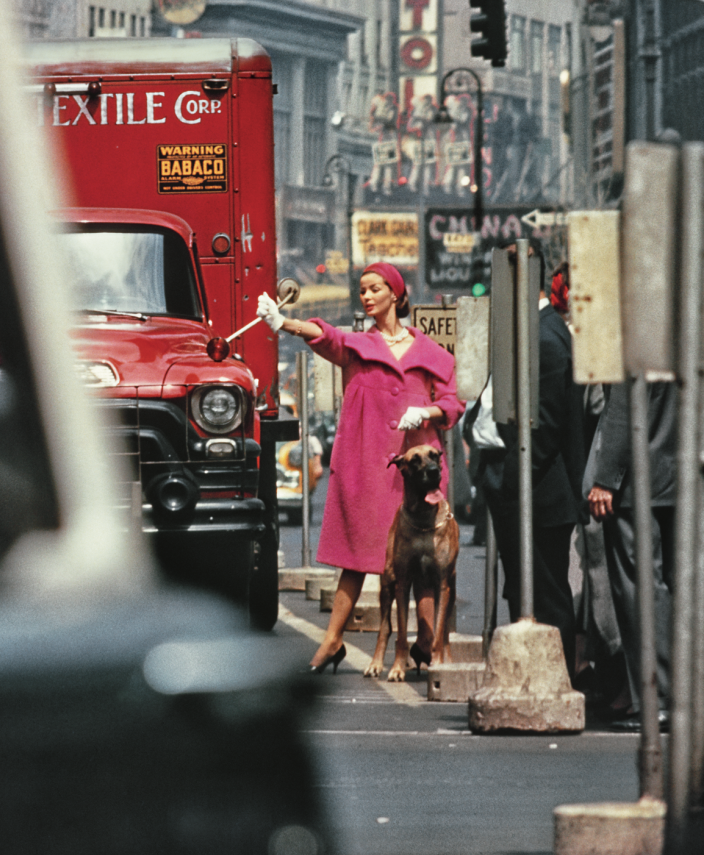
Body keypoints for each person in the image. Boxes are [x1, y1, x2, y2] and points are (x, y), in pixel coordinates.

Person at [257, 263, 464, 673]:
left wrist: (427, 410)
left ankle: (425, 641)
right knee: (356, 559)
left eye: (374, 289)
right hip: (368, 465)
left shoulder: (432, 354)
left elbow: (452, 404)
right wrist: (284, 323)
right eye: (362, 290)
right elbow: (326, 335)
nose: (366, 297)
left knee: (424, 560)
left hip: (415, 471)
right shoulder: (356, 345)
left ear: (395, 294)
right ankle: (333, 639)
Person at [482, 245, 586, 678]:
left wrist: (507, 485)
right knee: (527, 591)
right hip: (531, 491)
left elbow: (540, 431)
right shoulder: (533, 330)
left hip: (537, 494)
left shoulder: (543, 338)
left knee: (543, 595)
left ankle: (553, 682)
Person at [585, 381, 676, 732]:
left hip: (639, 480)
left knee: (638, 589)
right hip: (679, 473)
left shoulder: (636, 333)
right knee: (675, 587)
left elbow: (622, 408)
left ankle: (658, 699)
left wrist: (606, 477)